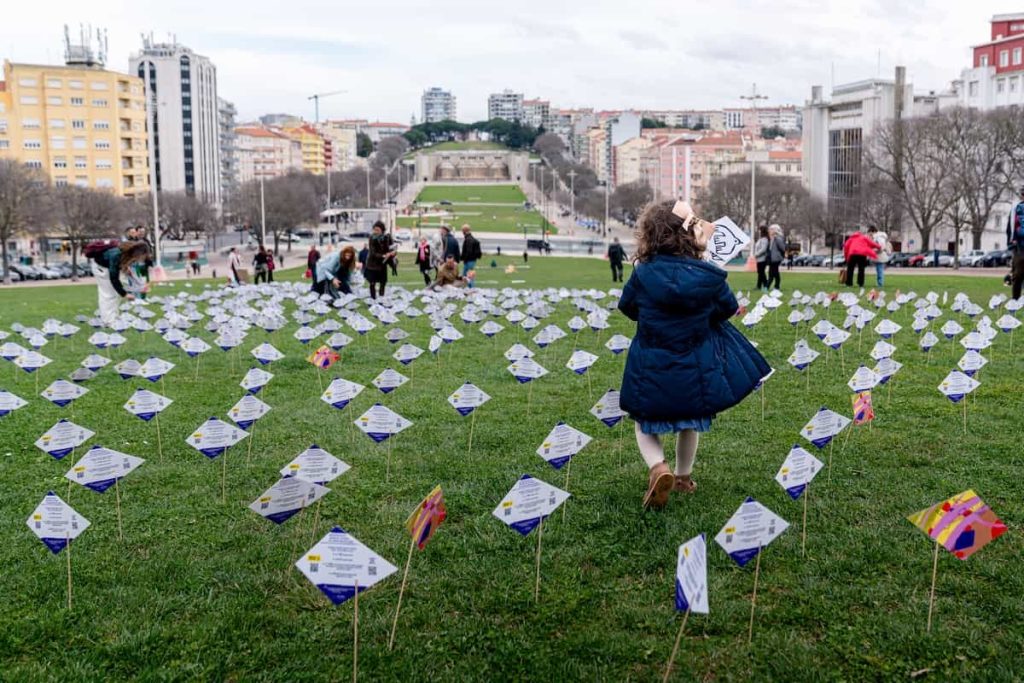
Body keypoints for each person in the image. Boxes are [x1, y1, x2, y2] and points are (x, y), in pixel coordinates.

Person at [618, 200, 770, 510]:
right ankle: (683, 478)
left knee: (643, 422)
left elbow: (628, 307)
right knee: (689, 423)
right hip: (694, 368)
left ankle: (659, 467)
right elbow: (728, 309)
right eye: (698, 224)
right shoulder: (710, 277)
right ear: (687, 236)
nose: (705, 227)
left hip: (650, 364)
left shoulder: (643, 272)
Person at [88, 240, 151, 326]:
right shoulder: (116, 256)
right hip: (101, 268)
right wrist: (124, 294)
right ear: (138, 253)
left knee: (114, 294)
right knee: (108, 295)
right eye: (143, 255)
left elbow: (122, 264)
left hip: (106, 267)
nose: (142, 258)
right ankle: (108, 321)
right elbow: (114, 278)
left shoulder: (129, 252)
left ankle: (113, 317)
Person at [364, 221, 396, 300]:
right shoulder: (372, 238)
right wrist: (383, 255)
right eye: (374, 230)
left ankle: (381, 298)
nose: (375, 232)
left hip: (382, 265)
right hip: (372, 264)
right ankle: (373, 299)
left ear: (382, 230)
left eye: (377, 230)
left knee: (383, 282)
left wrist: (393, 253)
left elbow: (392, 248)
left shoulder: (387, 237)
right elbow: (373, 252)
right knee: (372, 283)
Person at [1007, 186, 1024, 299]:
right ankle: (1015, 301)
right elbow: (1010, 227)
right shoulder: (1016, 209)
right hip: (1019, 248)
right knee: (1017, 275)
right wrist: (1011, 243)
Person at [766, 224, 786, 290]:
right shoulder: (772, 238)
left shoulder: (778, 238)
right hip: (772, 259)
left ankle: (767, 287)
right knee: (775, 273)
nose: (769, 231)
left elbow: (783, 248)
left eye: (771, 229)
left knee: (772, 273)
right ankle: (776, 286)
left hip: (776, 259)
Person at [753, 226, 770, 291]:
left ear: (762, 231)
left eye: (759, 230)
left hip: (762, 259)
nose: (758, 231)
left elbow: (763, 249)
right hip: (759, 259)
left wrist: (756, 254)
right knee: (760, 273)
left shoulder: (764, 239)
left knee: (761, 273)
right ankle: (759, 286)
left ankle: (765, 285)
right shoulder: (761, 239)